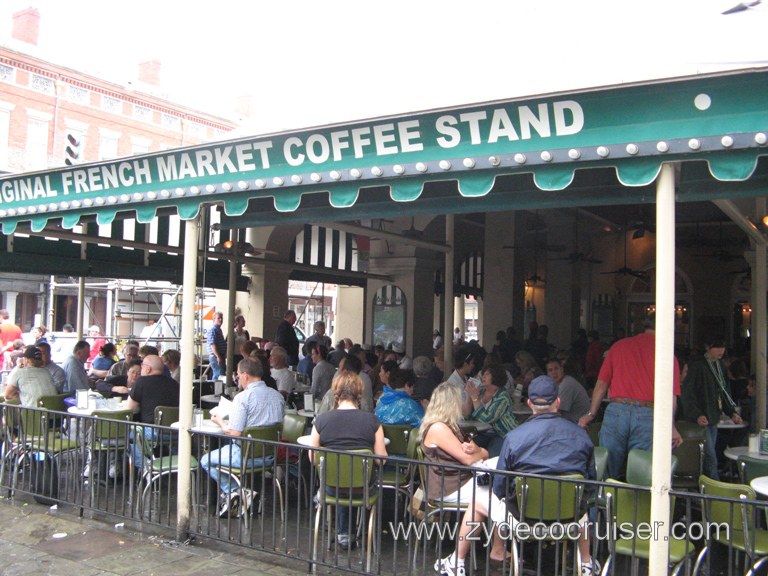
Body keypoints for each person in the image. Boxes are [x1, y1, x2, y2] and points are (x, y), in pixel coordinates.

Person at [436, 376, 600, 576]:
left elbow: (500, 487)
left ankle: (457, 562)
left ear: (530, 403)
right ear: (558, 402)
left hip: (523, 518)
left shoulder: (515, 437)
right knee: (580, 507)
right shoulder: (581, 436)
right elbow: (591, 484)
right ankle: (586, 563)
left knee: (478, 499)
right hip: (569, 518)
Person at [578, 319, 683, 481]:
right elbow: (671, 397)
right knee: (642, 472)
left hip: (616, 410)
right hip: (648, 413)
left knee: (604, 469)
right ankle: (635, 506)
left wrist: (591, 414)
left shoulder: (619, 346)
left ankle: (600, 504)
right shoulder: (666, 353)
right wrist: (672, 427)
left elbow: (601, 385)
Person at [308, 372, 388, 548]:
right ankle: (354, 533)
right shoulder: (373, 421)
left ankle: (343, 533)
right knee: (354, 477)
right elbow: (381, 459)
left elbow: (313, 457)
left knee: (341, 476)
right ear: (359, 393)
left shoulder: (321, 421)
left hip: (331, 487)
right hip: (363, 490)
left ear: (335, 392)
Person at [201, 357, 285, 517]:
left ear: (245, 375)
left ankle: (236, 491)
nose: (237, 378)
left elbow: (235, 433)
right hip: (270, 455)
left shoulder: (243, 398)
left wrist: (220, 422)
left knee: (206, 460)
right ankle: (239, 495)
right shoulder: (277, 396)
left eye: (238, 375)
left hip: (246, 455)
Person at [682, 337, 742, 480]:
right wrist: (696, 414)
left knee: (709, 453)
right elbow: (688, 392)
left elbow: (724, 390)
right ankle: (715, 485)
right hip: (701, 418)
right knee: (709, 455)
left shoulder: (719, 365)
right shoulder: (698, 366)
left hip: (713, 417)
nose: (721, 350)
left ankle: (709, 486)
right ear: (708, 347)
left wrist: (731, 412)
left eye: (723, 347)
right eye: (717, 347)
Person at [127, 354, 180, 468]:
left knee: (127, 433)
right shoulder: (174, 384)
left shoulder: (141, 382)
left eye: (142, 367)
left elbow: (129, 409)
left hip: (153, 432)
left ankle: (144, 466)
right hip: (175, 432)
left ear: (148, 368)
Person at [465, 362, 518, 456]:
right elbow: (465, 414)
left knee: (493, 454)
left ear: (495, 376)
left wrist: (474, 397)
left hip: (501, 434)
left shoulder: (503, 397)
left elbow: (487, 418)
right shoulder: (480, 391)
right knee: (464, 443)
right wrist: (470, 396)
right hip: (481, 432)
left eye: (487, 374)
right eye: (483, 374)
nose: (483, 377)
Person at [546, 357, 591, 423]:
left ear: (562, 369)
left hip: (578, 425)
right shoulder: (556, 385)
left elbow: (556, 412)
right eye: (550, 370)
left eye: (556, 368)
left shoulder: (567, 385)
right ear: (547, 374)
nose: (554, 373)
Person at [207, 311, 227, 380]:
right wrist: (218, 356)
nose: (221, 320)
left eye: (221, 318)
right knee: (219, 375)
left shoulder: (218, 330)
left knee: (220, 374)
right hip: (216, 356)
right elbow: (212, 344)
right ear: (214, 319)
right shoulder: (213, 330)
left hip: (219, 355)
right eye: (218, 318)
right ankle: (216, 390)